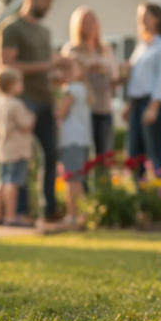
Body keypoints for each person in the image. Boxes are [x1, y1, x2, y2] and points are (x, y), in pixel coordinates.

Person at [0, 0, 68, 223]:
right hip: (22, 102)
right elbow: (6, 66)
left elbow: (45, 67)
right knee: (21, 157)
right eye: (46, 0)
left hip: (46, 100)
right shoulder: (12, 29)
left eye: (51, 1)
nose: (49, 6)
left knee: (51, 155)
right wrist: (47, 65)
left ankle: (49, 210)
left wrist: (55, 75)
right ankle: (20, 211)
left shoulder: (44, 32)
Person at [125, 3, 161, 179]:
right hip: (138, 103)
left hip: (156, 104)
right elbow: (136, 78)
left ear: (156, 18)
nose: (140, 20)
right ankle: (140, 195)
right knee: (134, 152)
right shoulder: (142, 45)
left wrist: (153, 107)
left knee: (155, 153)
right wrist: (130, 104)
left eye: (144, 15)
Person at [60, 7, 119, 160]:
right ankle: (83, 184)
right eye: (85, 22)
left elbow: (114, 77)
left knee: (104, 154)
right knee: (83, 156)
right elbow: (65, 77)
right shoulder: (72, 49)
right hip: (83, 109)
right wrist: (87, 69)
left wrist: (115, 80)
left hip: (104, 107)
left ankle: (103, 183)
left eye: (93, 21)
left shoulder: (106, 49)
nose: (90, 25)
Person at [0, 66, 35, 227]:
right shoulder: (16, 104)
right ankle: (11, 216)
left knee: (1, 181)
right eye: (19, 82)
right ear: (11, 85)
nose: (22, 85)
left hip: (3, 147)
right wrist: (32, 116)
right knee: (13, 182)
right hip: (17, 149)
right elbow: (25, 125)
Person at [56, 58, 93, 225]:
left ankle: (72, 215)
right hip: (82, 138)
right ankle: (80, 214)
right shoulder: (83, 89)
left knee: (71, 178)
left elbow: (60, 113)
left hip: (71, 139)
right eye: (64, 69)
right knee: (78, 177)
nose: (66, 72)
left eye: (70, 68)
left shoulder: (72, 89)